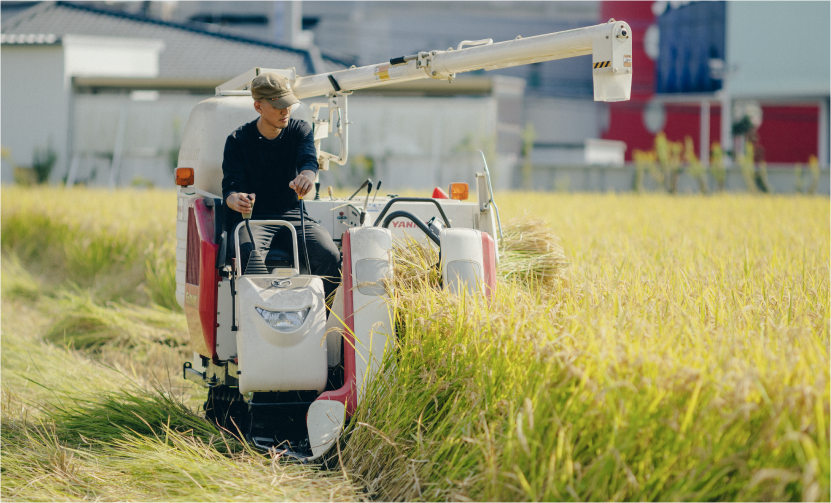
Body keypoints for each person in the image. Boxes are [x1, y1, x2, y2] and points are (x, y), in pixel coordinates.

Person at [221, 72, 341, 299]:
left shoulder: (300, 130)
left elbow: (308, 161)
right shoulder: (238, 140)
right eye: (279, 106)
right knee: (248, 254)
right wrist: (236, 200)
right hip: (254, 219)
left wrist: (306, 177)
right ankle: (261, 320)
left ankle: (323, 322)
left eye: (288, 104)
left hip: (293, 214)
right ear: (258, 107)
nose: (286, 111)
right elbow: (231, 187)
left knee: (329, 255)